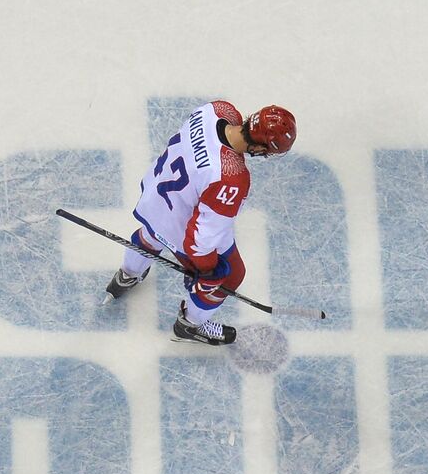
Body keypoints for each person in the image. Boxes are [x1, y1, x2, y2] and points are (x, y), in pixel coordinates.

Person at [102, 100, 297, 345]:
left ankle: (127, 275)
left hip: (155, 197)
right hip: (179, 225)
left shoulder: (217, 110)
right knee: (231, 275)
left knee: (152, 233)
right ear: (259, 147)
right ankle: (190, 326)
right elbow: (202, 238)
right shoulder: (232, 178)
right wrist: (205, 270)